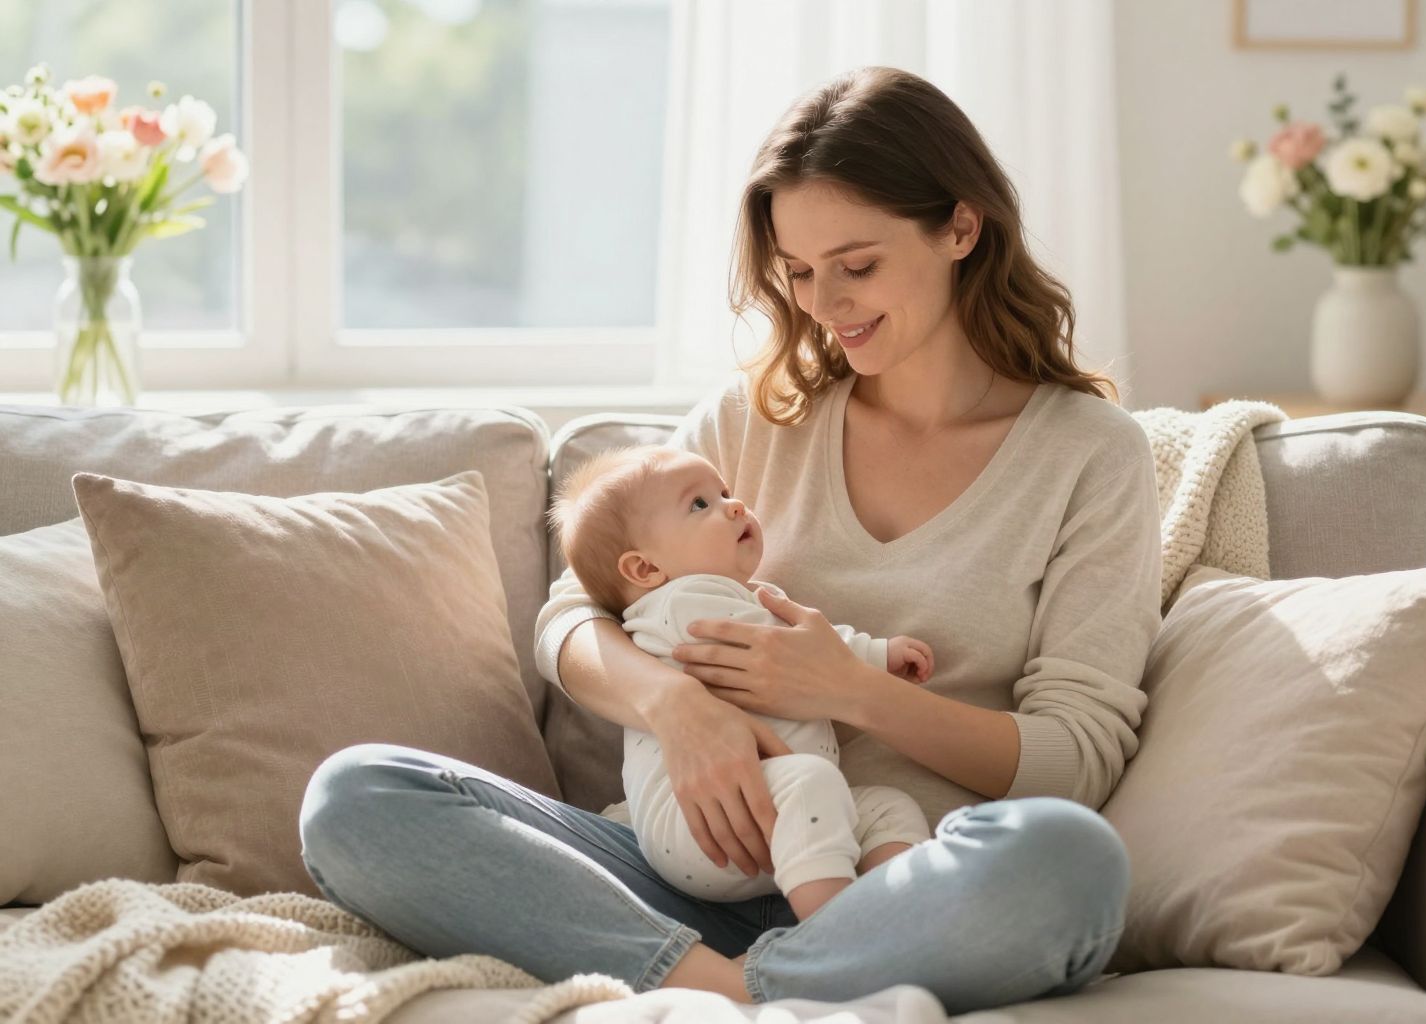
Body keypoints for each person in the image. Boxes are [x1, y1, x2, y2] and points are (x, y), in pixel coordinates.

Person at [298, 65, 1162, 1015]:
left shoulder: (1090, 456)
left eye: (858, 264)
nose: (824, 303)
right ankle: (737, 985)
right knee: (357, 796)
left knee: (1072, 865)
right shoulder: (753, 420)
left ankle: (737, 986)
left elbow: (1075, 758)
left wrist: (848, 691)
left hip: (902, 885)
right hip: (685, 872)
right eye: (797, 272)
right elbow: (570, 617)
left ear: (961, 227)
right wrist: (677, 706)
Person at [544, 442, 935, 922]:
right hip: (710, 819)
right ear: (645, 569)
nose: (734, 505)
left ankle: (893, 918)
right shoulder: (684, 604)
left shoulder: (728, 596)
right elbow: (799, 651)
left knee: (885, 809)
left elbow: (808, 656)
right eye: (700, 504)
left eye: (725, 491)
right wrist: (875, 655)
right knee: (814, 783)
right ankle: (837, 936)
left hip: (760, 813)